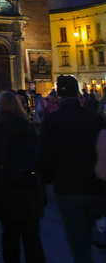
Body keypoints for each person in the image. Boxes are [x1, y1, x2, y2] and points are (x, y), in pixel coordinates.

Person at [38, 74, 106, 262]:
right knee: (92, 231)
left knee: (78, 241)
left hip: (67, 188)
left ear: (58, 93)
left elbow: (44, 157)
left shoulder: (52, 121)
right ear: (78, 93)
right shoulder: (96, 119)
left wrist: (49, 180)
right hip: (94, 187)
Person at [0, 91, 46, 263]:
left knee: (9, 236)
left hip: (5, 189)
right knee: (32, 236)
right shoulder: (30, 130)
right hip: (30, 188)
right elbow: (41, 159)